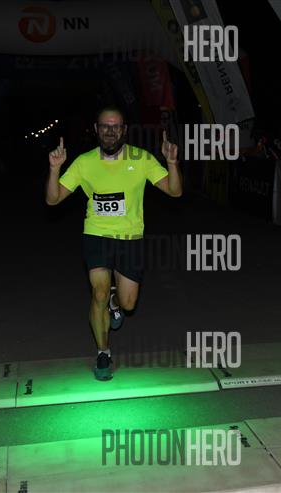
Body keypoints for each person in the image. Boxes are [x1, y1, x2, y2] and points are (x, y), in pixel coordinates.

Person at [45, 105, 182, 380]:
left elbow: (174, 191)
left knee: (129, 303)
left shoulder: (141, 159)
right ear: (96, 129)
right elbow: (53, 199)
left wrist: (171, 162)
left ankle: (115, 303)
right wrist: (54, 168)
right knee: (98, 292)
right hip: (96, 235)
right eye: (105, 126)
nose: (110, 131)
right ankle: (103, 352)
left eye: (115, 126)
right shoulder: (84, 162)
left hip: (130, 238)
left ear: (124, 130)